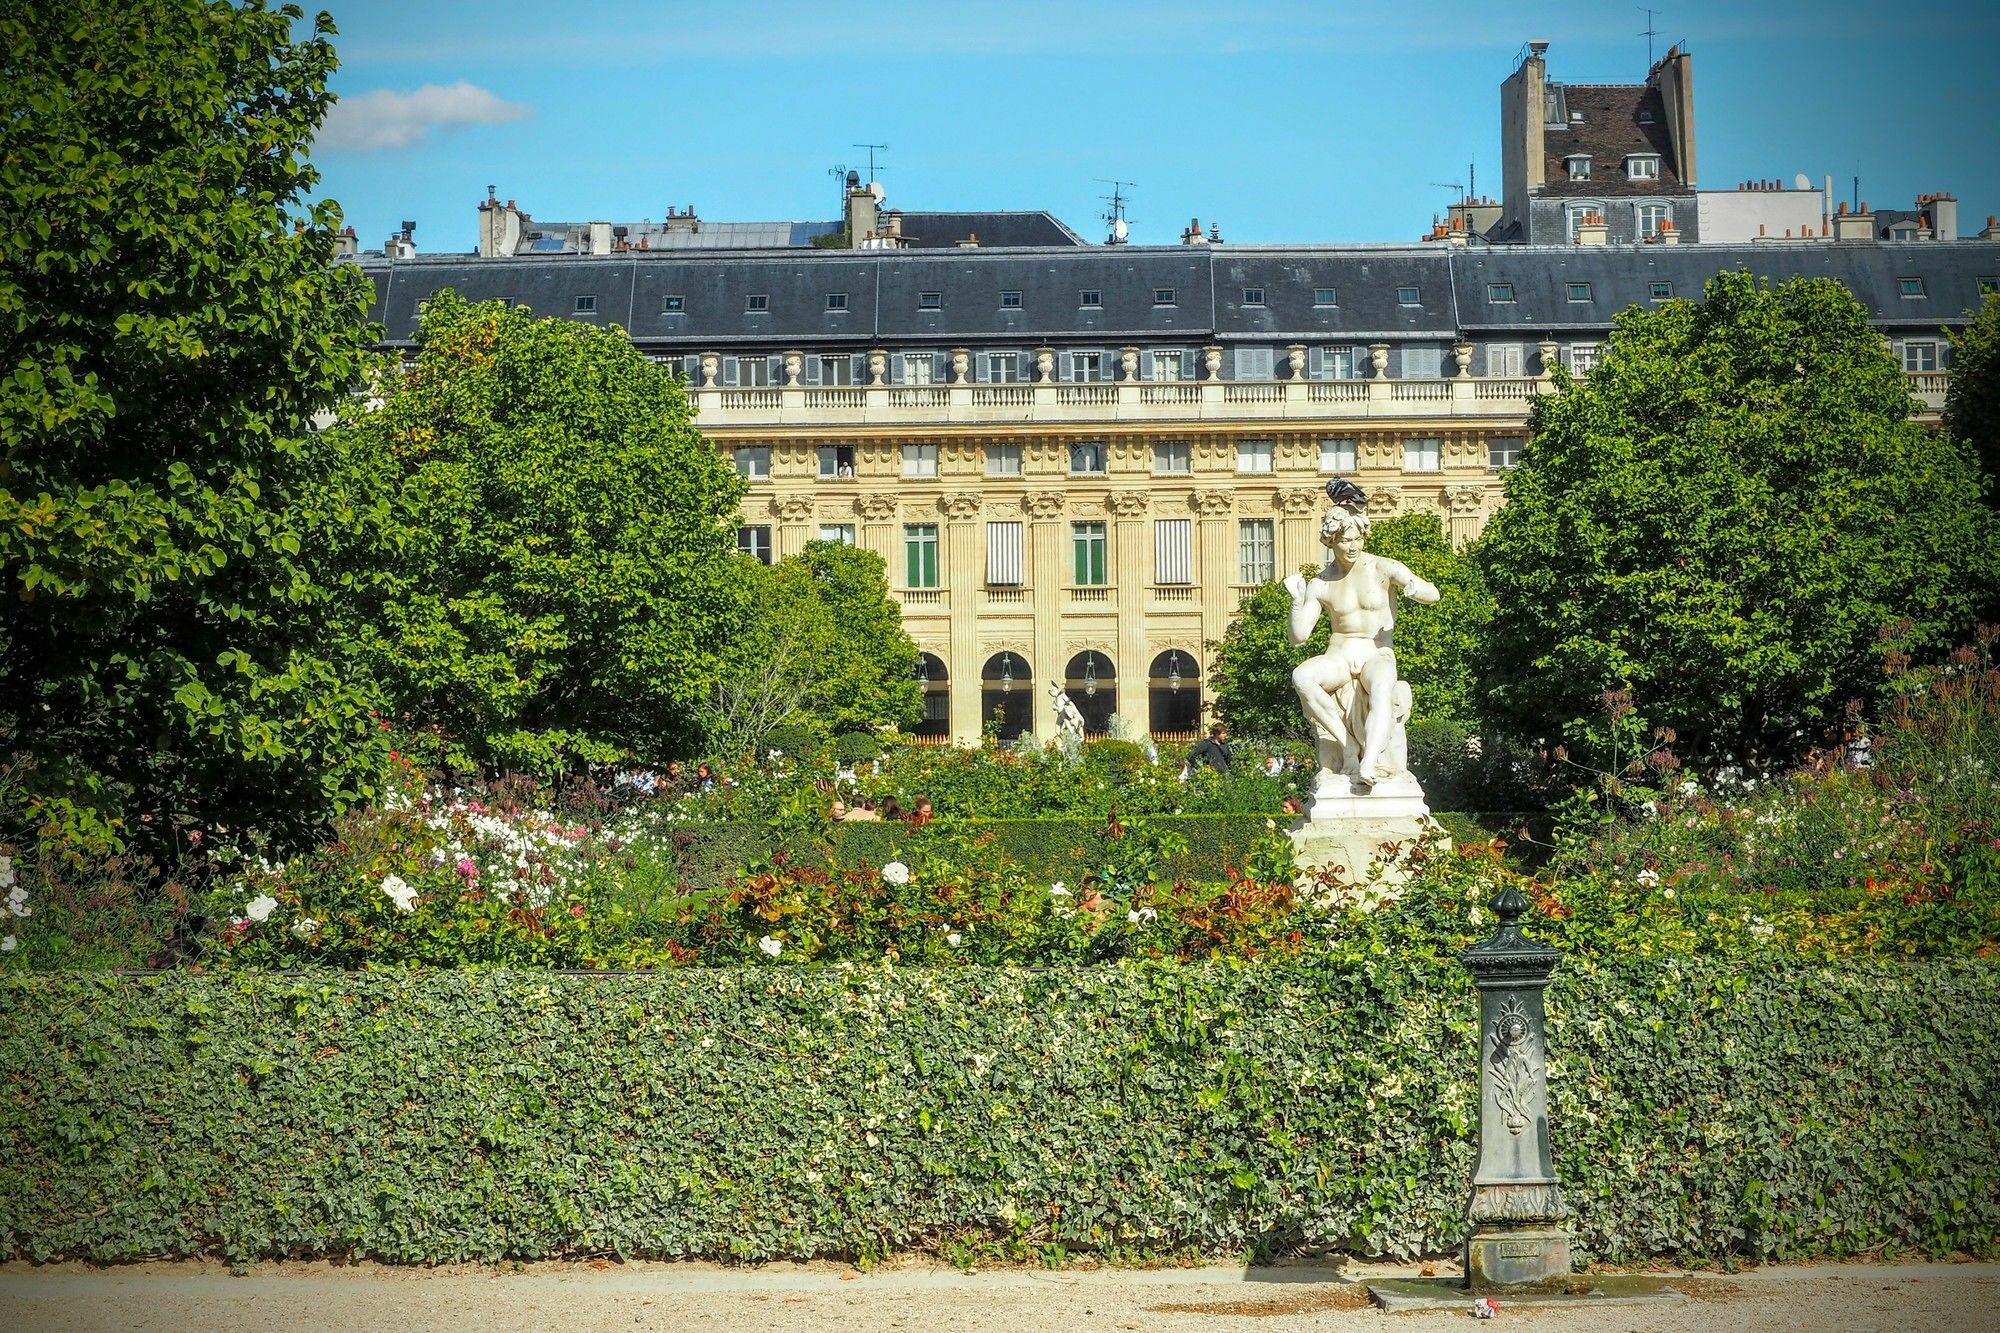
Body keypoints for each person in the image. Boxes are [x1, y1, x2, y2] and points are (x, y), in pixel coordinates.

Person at [1284, 492, 1439, 789]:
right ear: (1330, 541)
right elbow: (1298, 637)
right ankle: (1348, 748)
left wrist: (1414, 588)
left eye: (1357, 539)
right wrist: (1296, 601)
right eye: (1345, 541)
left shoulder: (1383, 568)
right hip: (1339, 654)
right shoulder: (1321, 583)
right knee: (1302, 677)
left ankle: (1369, 762)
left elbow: (1433, 594)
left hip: (1375, 651)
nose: (1352, 546)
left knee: (1382, 686)